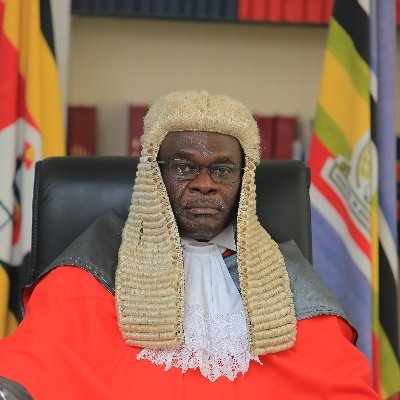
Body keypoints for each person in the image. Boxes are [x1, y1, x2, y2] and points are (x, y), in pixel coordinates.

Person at [0, 91, 378, 399]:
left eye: (222, 169)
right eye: (184, 167)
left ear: (244, 179)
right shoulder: (95, 262)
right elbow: (38, 358)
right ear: (155, 173)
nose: (204, 184)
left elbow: (337, 383)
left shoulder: (284, 274)